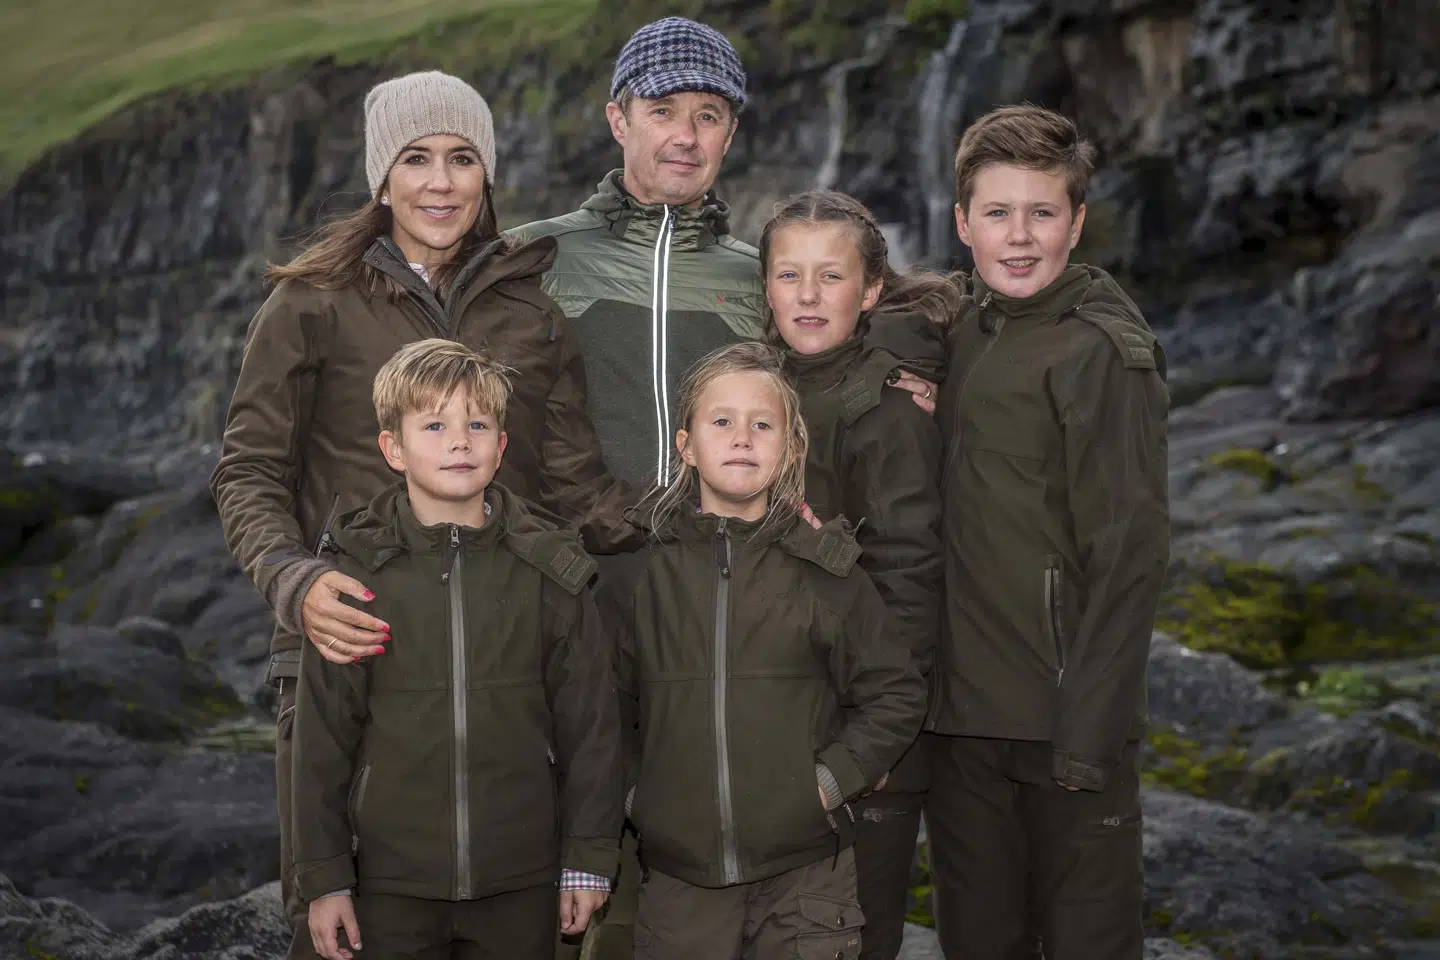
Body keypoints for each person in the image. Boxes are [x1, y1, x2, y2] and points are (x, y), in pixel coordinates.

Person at [506, 22, 935, 956]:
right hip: (579, 612)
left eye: (708, 116)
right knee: (580, 898)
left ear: (731, 134)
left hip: (736, 615)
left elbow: (855, 320)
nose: (685, 136)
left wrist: (917, 361)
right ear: (617, 117)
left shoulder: (757, 276)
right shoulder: (535, 258)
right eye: (663, 111)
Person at [209, 70, 625, 952]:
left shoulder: (532, 315)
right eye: (417, 158)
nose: (441, 182)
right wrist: (293, 579)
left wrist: (727, 508)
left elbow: (580, 493)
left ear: (488, 174)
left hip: (502, 663)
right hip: (345, 647)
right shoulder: (309, 302)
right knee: (336, 924)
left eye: (463, 158)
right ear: (381, 176)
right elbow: (248, 470)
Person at [925, 105, 1170, 959]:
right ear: (962, 223)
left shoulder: (1101, 352)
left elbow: (1130, 552)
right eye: (997, 214)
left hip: (1064, 726)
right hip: (958, 729)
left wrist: (1090, 736)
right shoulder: (956, 329)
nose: (1018, 237)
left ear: (1077, 220)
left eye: (1042, 213)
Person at [292, 339, 623, 960]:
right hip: (388, 883)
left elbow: (591, 727)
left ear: (501, 446)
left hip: (523, 881)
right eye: (435, 424)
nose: (460, 440)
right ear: (393, 448)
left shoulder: (551, 569)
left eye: (478, 423)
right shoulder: (356, 574)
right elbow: (321, 739)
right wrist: (324, 876)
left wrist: (587, 858)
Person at [604, 341, 926, 960]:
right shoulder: (640, 577)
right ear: (686, 446)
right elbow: (605, 709)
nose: (742, 438)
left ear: (790, 447)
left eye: (762, 424)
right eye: (721, 422)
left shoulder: (825, 571)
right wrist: (640, 798)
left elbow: (894, 691)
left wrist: (830, 783)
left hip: (806, 878)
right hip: (680, 882)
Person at [760, 190, 957, 960]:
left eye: (830, 277)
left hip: (867, 739)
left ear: (871, 289)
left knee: (852, 934)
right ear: (765, 286)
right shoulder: (751, 395)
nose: (807, 296)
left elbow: (910, 574)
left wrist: (875, 741)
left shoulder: (891, 408)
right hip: (777, 722)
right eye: (788, 275)